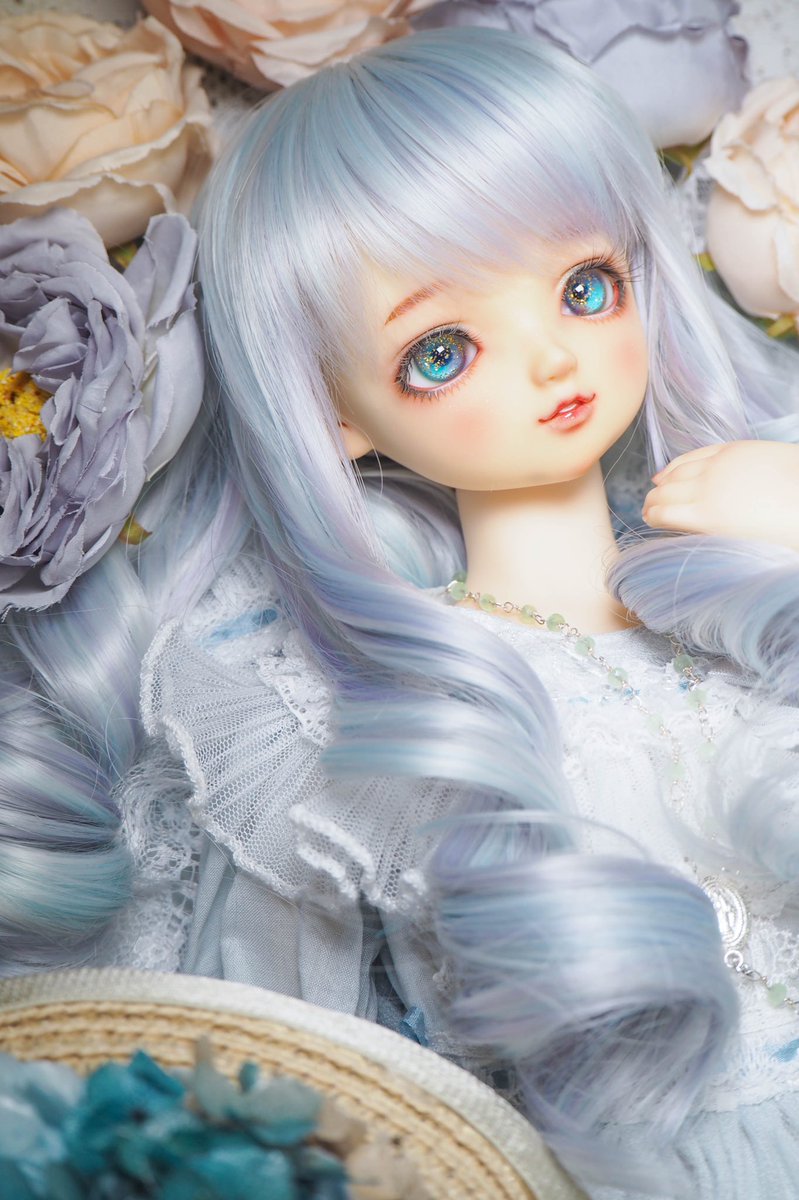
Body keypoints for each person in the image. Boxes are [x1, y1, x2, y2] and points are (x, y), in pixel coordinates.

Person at [3, 25, 799, 1200]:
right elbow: (327, 1075)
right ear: (332, 416)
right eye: (441, 351)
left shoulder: (744, 576)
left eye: (586, 287)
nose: (551, 361)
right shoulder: (365, 720)